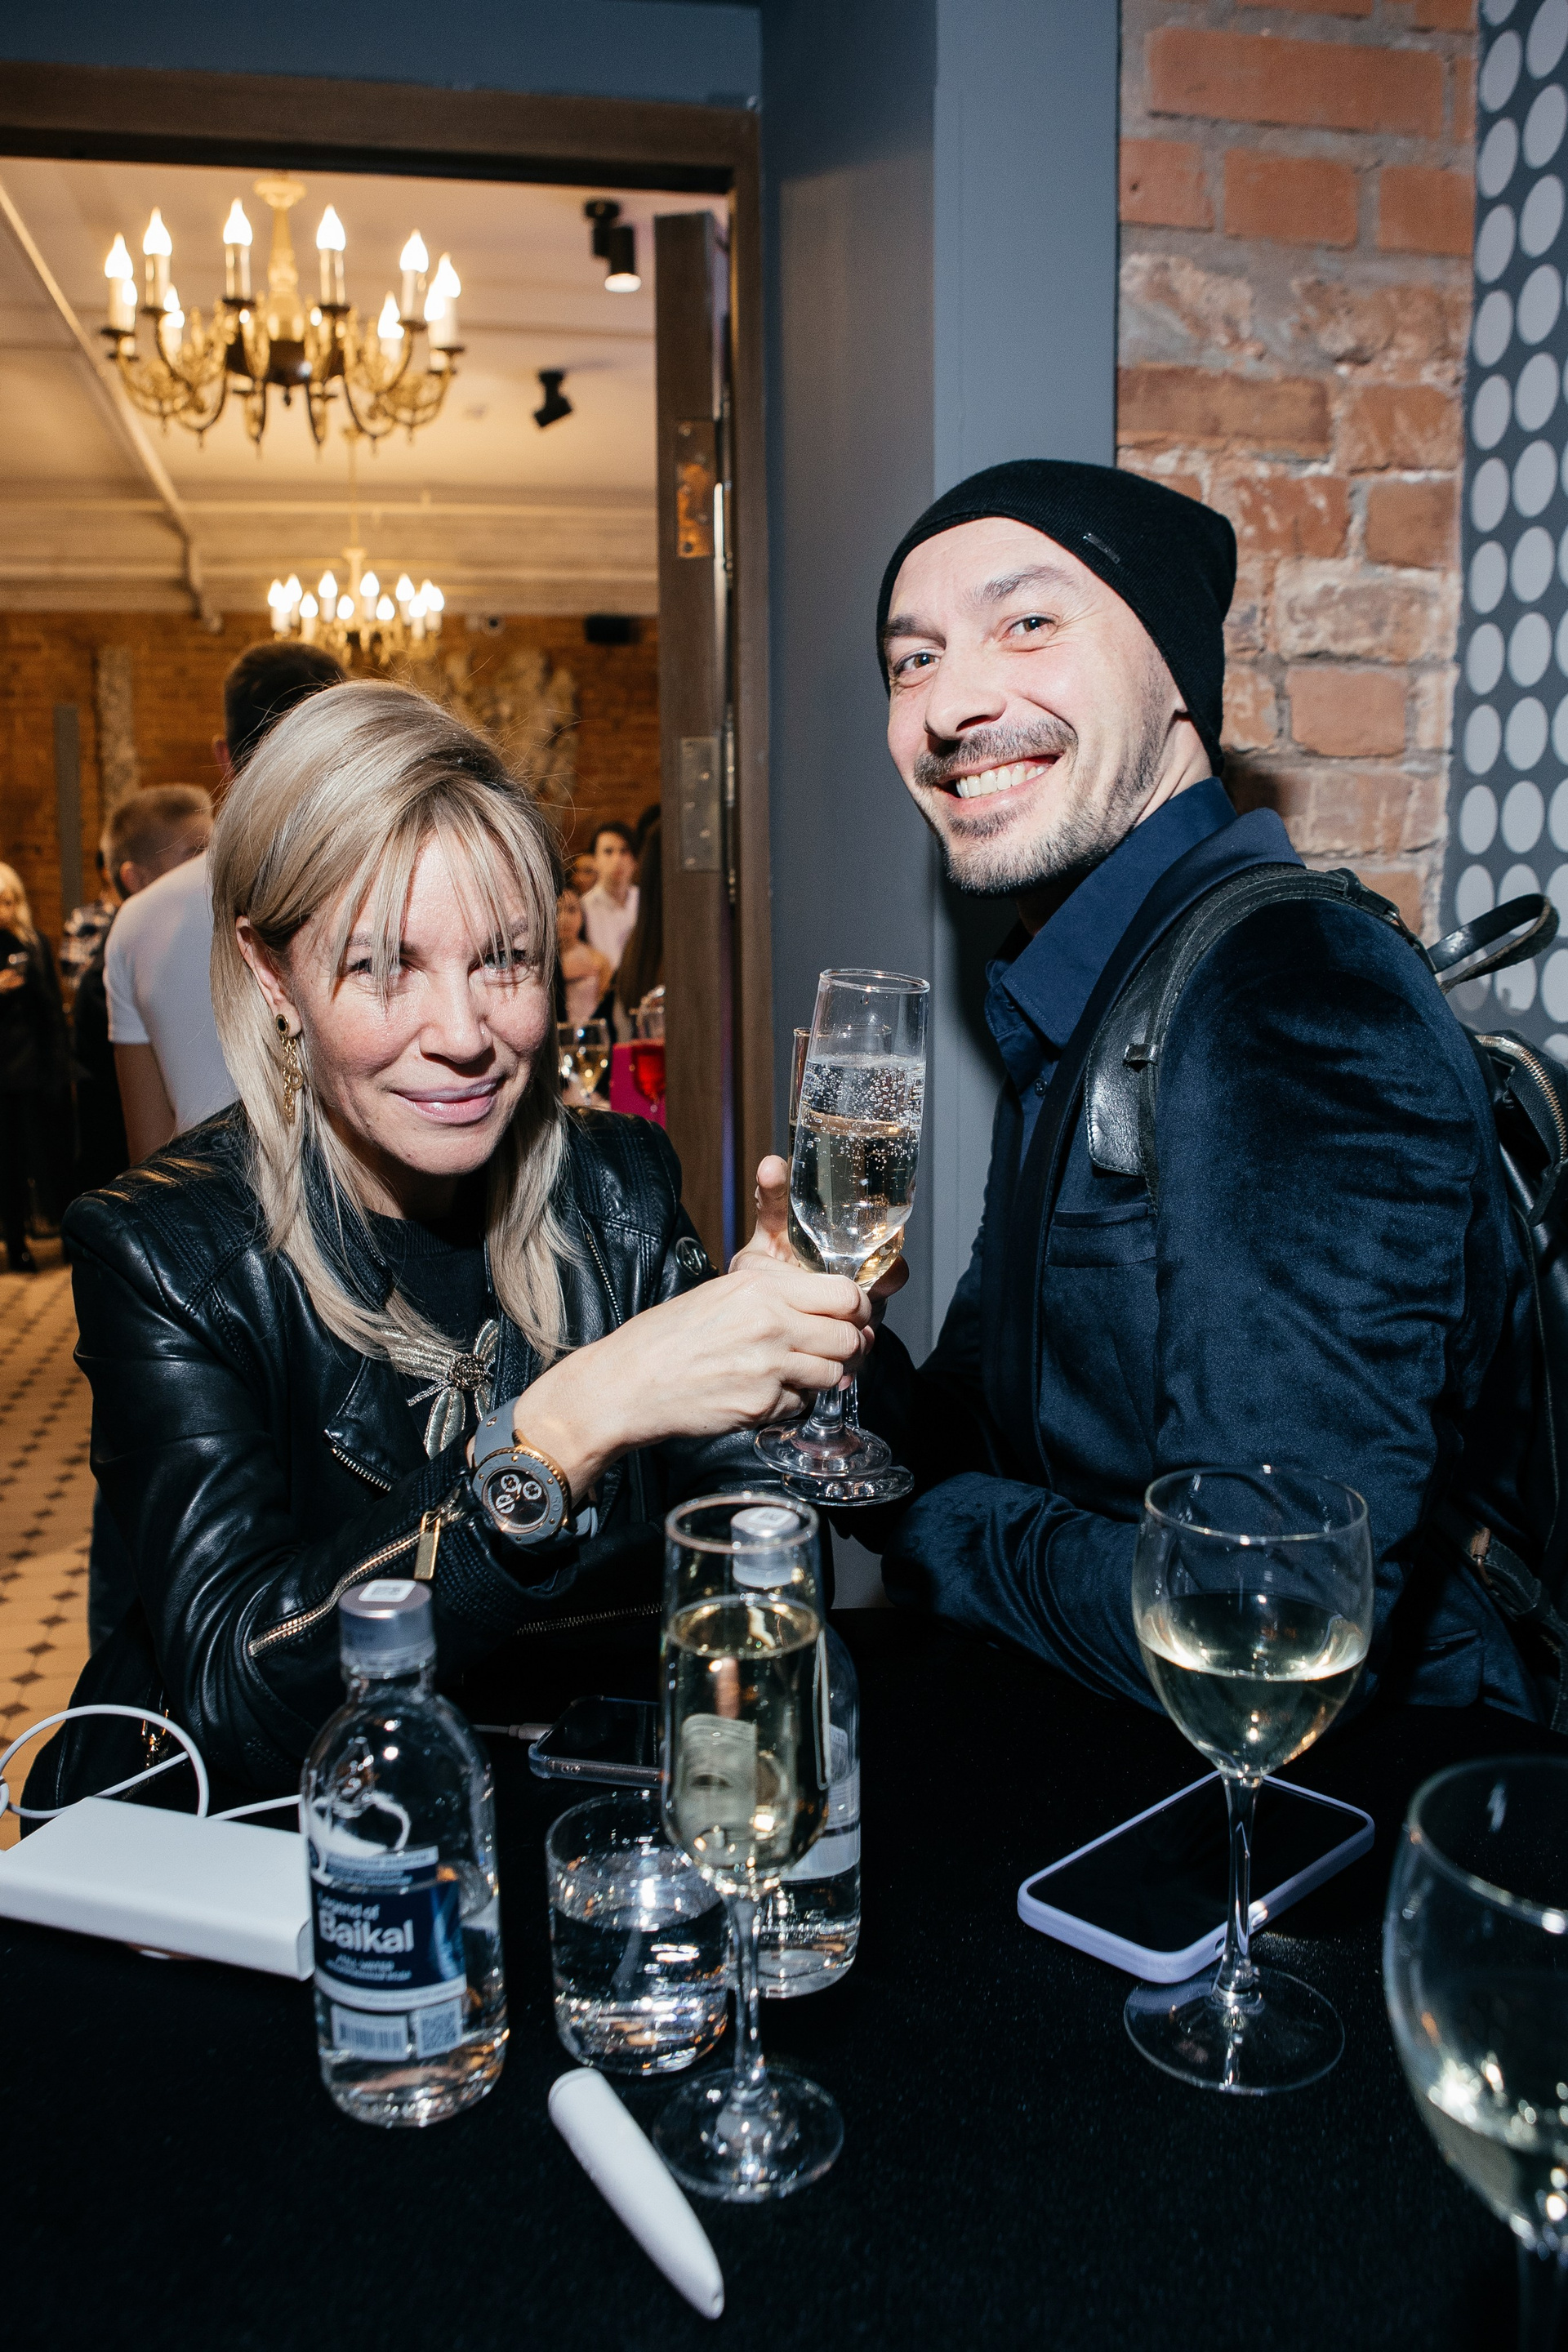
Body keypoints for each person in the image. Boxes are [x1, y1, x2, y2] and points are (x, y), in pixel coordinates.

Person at [752, 459, 1548, 1726]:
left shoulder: (1290, 992)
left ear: (1178, 677)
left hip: (1363, 1807)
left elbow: (1263, 1615)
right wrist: (825, 1364)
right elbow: (1001, 1429)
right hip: (1111, 1761)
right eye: (914, 660)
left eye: (1028, 622)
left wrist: (930, 1524)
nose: (951, 703)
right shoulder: (1097, 998)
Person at [29, 682, 868, 1814]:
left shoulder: (617, 1187)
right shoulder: (167, 1255)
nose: (466, 1035)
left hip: (562, 1824)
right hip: (301, 1856)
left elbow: (751, 1565)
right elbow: (236, 1693)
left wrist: (790, 1377)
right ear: (273, 974)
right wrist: (555, 1436)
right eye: (384, 967)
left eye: (504, 959)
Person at [107, 642, 345, 1162]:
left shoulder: (138, 919)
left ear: (224, 756)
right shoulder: (382, 889)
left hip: (201, 1204)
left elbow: (149, 1155)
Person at [72, 786, 215, 1200]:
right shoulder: (101, 980)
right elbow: (132, 1133)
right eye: (194, 853)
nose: (208, 865)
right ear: (134, 878)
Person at [0, 863, 70, 1272]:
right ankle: (16, 1242)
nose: (4, 911)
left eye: (9, 901)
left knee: (52, 1157)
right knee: (9, 1163)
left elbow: (51, 1011)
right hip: (4, 1077)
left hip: (38, 1072)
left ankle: (64, 1236)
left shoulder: (35, 942)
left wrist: (59, 1066)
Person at [579, 819, 639, 969]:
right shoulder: (584, 907)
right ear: (594, 860)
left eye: (624, 851)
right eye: (608, 852)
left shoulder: (645, 901)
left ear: (635, 859)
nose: (617, 860)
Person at [556, 884, 612, 1026]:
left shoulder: (599, 961)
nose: (564, 918)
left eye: (572, 910)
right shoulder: (540, 964)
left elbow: (606, 1008)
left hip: (590, 1032)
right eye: (557, 911)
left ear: (582, 915)